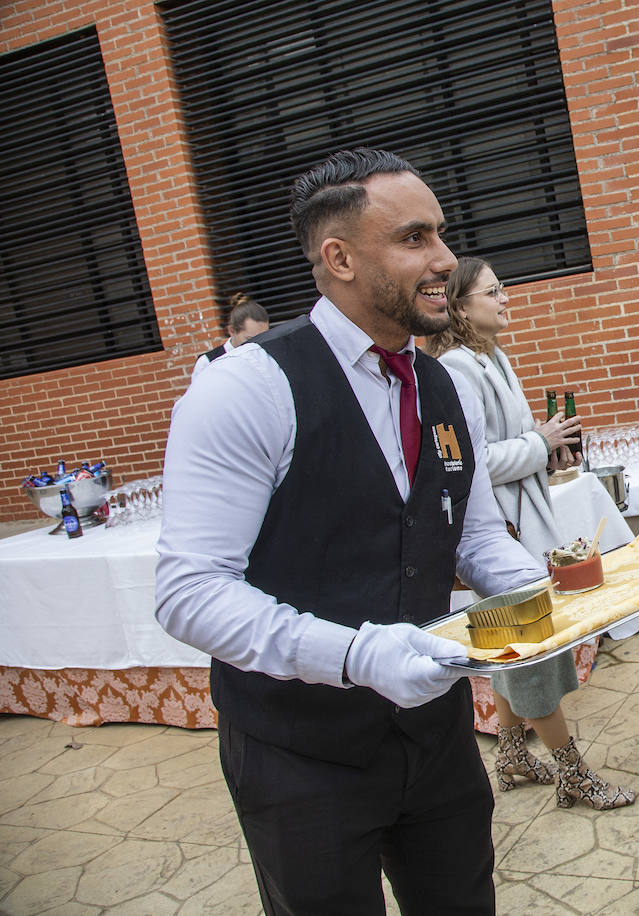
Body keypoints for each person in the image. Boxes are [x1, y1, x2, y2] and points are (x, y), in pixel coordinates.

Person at [156, 148, 548, 914]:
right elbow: (188, 593)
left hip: (435, 737)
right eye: (414, 239)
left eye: (441, 234)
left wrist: (534, 585)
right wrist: (357, 654)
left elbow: (471, 536)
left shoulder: (440, 383)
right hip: (301, 754)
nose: (444, 260)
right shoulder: (247, 388)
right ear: (337, 257)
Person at [425, 257, 635, 811]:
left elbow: (511, 444)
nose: (505, 297)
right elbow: (470, 461)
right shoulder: (458, 369)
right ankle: (572, 771)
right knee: (533, 649)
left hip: (518, 522)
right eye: (492, 291)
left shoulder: (491, 356)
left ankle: (514, 754)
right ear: (460, 305)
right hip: (497, 533)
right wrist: (540, 444)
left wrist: (544, 452)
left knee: (508, 643)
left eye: (503, 287)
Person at [189, 291, 269, 381]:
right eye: (249, 339)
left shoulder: (269, 355)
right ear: (231, 331)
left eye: (263, 338)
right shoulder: (207, 363)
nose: (257, 345)